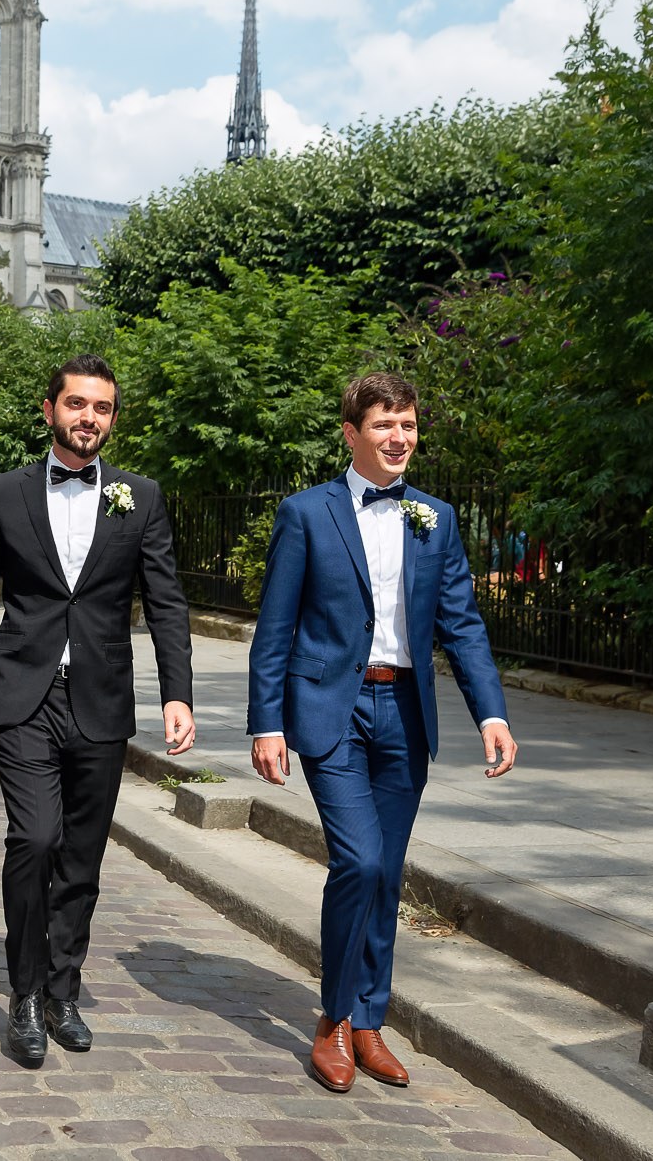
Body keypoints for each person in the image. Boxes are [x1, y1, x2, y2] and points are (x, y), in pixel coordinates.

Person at [247, 373, 518, 1092]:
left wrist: (490, 711)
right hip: (332, 711)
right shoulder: (307, 513)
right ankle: (334, 1018)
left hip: (406, 714)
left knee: (386, 874)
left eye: (408, 424)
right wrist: (265, 722)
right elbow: (274, 629)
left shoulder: (437, 516)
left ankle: (370, 1020)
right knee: (360, 862)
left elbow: (461, 622)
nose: (399, 437)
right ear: (352, 433)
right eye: (383, 424)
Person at [0, 354, 196, 1067]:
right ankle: (24, 994)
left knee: (81, 855)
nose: (90, 417)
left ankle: (63, 989)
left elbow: (167, 602)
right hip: (22, 695)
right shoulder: (3, 492)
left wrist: (176, 691)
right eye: (78, 404)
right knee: (34, 838)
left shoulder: (140, 497)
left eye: (103, 407)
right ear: (49, 409)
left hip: (101, 698)